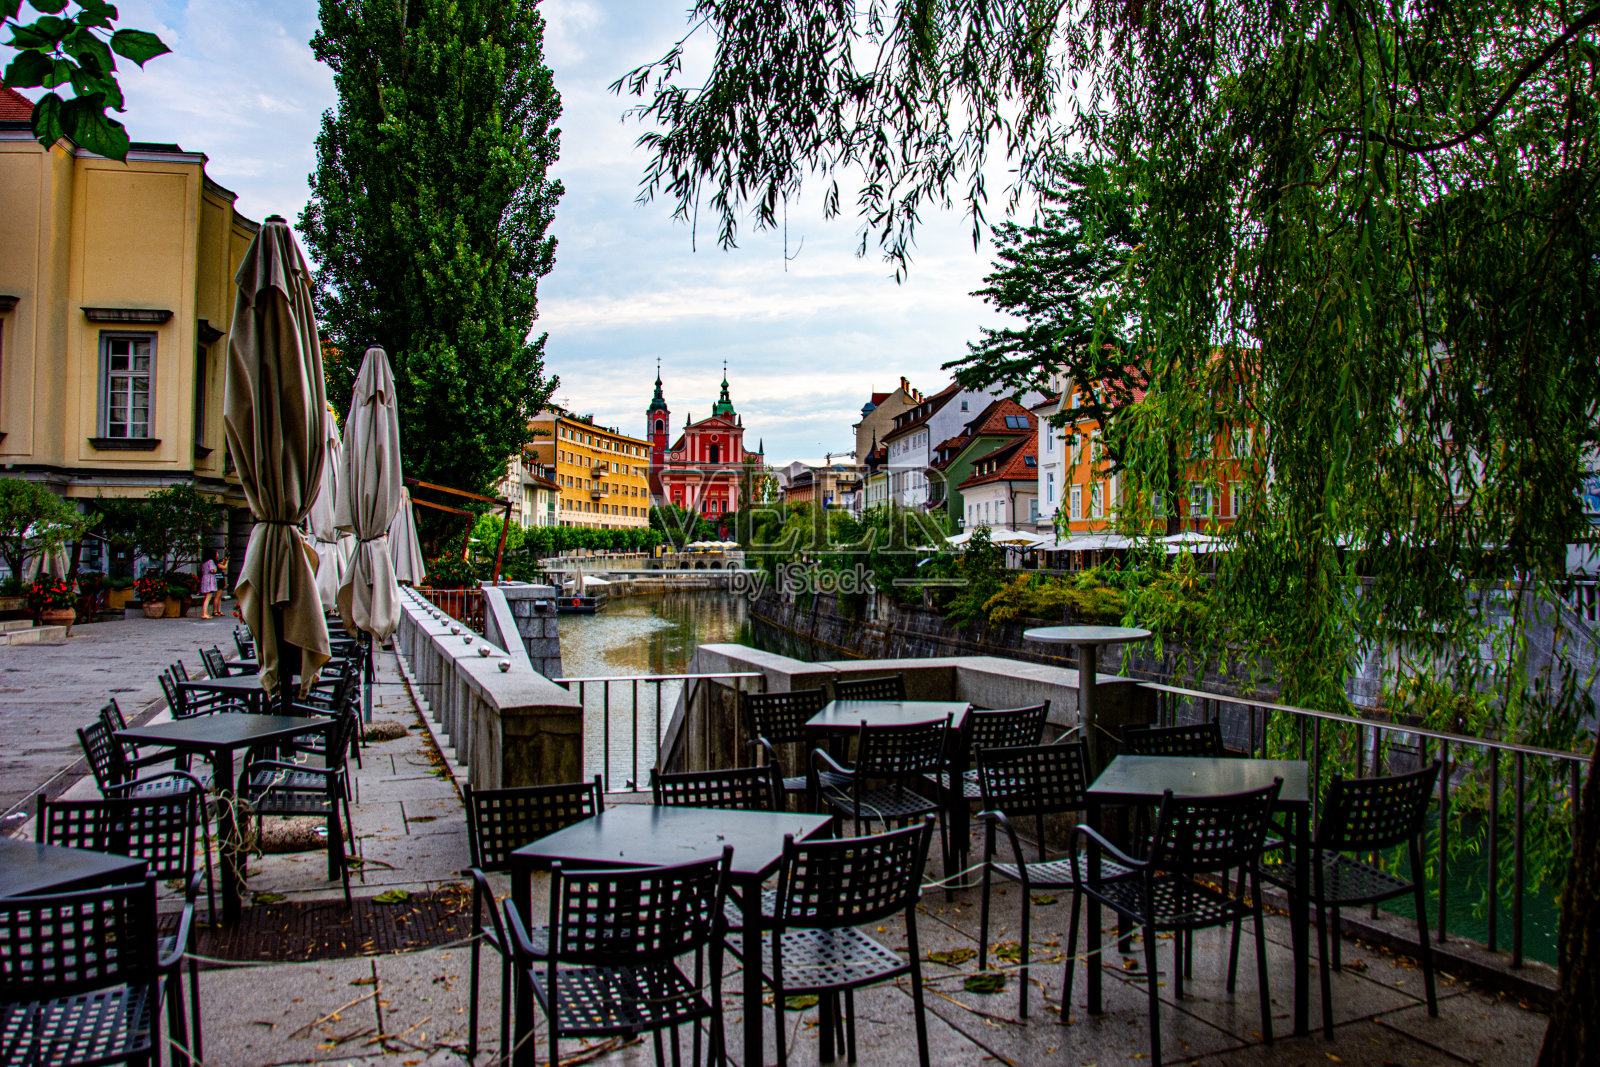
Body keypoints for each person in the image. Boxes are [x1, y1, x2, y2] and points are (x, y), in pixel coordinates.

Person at [198, 549, 226, 620]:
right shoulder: (210, 561)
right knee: (208, 598)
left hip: (205, 579)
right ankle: (204, 614)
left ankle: (205, 613)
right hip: (209, 580)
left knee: (206, 598)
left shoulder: (204, 562)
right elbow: (213, 570)